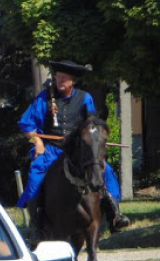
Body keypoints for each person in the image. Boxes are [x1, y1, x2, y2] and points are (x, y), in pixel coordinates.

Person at [17, 60, 130, 233]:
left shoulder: (84, 98)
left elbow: (91, 123)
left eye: (64, 78)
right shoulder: (44, 97)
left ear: (72, 81)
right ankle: (37, 222)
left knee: (105, 170)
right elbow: (26, 124)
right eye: (58, 77)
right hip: (51, 150)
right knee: (35, 176)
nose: (60, 81)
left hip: (77, 150)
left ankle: (114, 214)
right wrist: (37, 141)